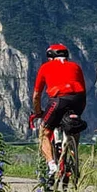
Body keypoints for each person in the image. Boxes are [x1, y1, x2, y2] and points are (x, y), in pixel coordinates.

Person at [31, 43, 88, 177]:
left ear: (50, 56)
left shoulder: (45, 67)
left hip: (58, 100)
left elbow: (36, 96)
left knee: (44, 133)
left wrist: (38, 112)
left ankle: (52, 165)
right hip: (78, 100)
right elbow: (84, 91)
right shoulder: (76, 66)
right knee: (73, 128)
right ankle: (74, 157)